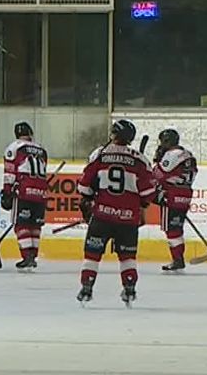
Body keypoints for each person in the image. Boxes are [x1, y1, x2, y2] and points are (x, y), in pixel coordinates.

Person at [76, 119, 155, 306]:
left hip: (102, 216)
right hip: (128, 219)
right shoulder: (139, 159)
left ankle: (87, 287)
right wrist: (141, 206)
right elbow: (148, 194)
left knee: (92, 254)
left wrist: (89, 198)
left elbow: (84, 186)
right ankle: (129, 288)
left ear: (113, 134)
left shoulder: (100, 155)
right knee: (127, 257)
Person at [0, 121, 48, 272]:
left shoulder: (14, 147)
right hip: (41, 192)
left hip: (24, 191)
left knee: (21, 225)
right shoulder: (41, 149)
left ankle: (27, 256)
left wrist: (7, 191)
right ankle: (32, 256)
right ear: (30, 133)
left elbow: (10, 171)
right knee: (35, 225)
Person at [152, 128, 197, 271]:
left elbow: (157, 175)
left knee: (171, 230)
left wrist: (156, 162)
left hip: (170, 194)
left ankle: (178, 259)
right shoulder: (188, 155)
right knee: (177, 228)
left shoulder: (171, 155)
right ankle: (178, 259)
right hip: (185, 194)